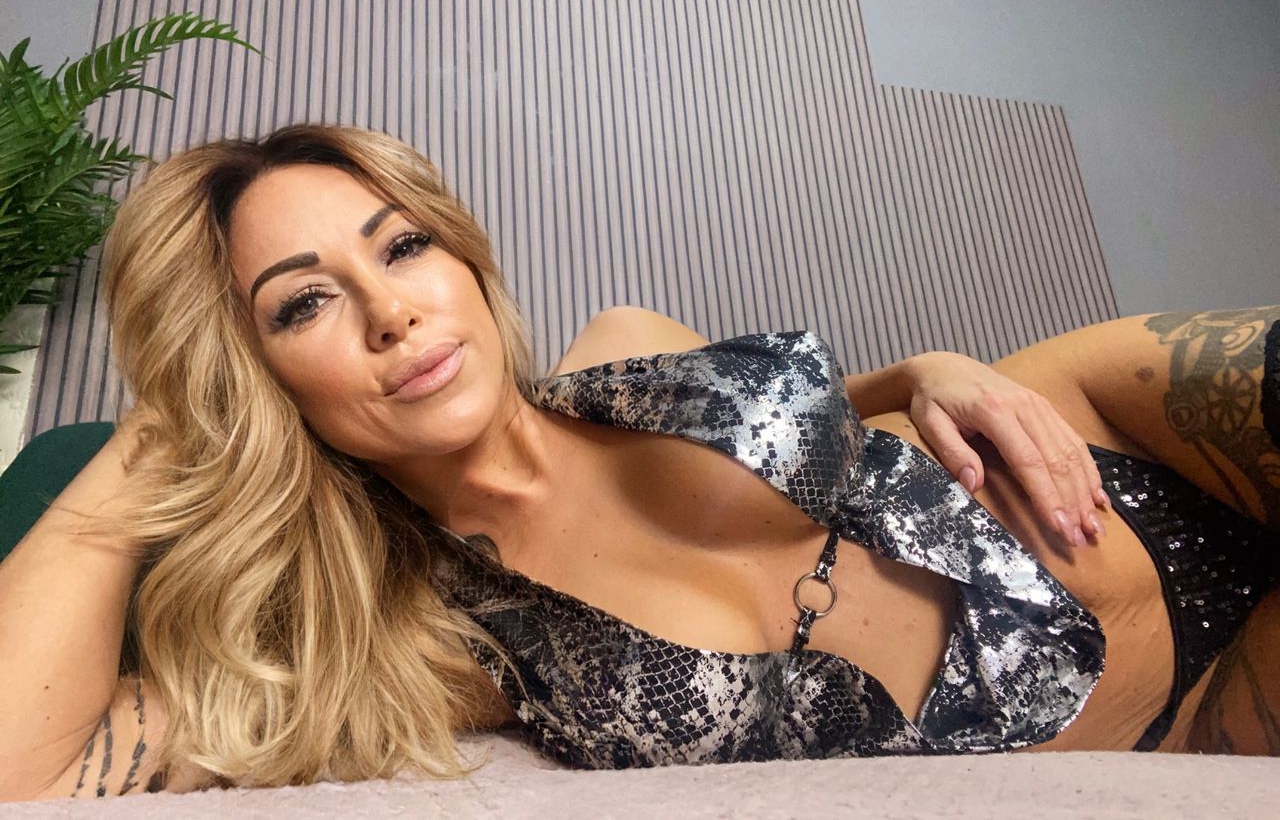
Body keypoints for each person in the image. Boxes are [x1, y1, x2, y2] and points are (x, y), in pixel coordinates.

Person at [1, 124, 1276, 802]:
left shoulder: (625, 350)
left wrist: (929, 369)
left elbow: (815, 438)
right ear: (256, 379)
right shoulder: (444, 649)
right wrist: (154, 438)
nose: (391, 312)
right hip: (1186, 715)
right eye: (302, 304)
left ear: (459, 259)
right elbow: (26, 771)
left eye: (400, 247)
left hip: (1117, 438)